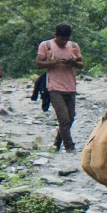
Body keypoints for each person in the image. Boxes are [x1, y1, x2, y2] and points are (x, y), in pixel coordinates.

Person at [35, 23, 83, 151]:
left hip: (71, 86)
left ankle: (57, 143)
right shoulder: (46, 45)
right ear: (55, 35)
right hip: (54, 87)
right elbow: (38, 63)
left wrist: (72, 62)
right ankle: (69, 146)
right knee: (63, 118)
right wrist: (52, 63)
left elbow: (81, 64)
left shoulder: (73, 46)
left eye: (66, 39)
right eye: (61, 39)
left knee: (70, 118)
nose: (63, 42)